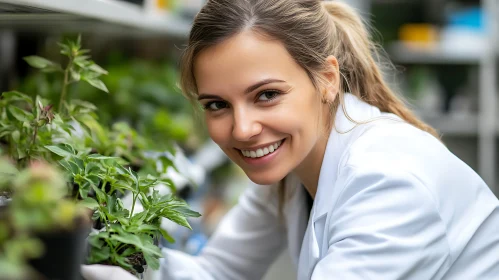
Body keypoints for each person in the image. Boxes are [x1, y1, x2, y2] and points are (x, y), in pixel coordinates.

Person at [82, 0, 499, 279]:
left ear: (327, 79)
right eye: (216, 105)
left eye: (267, 95)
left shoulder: (389, 182)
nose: (242, 129)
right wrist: (104, 248)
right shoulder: (294, 166)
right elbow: (217, 272)